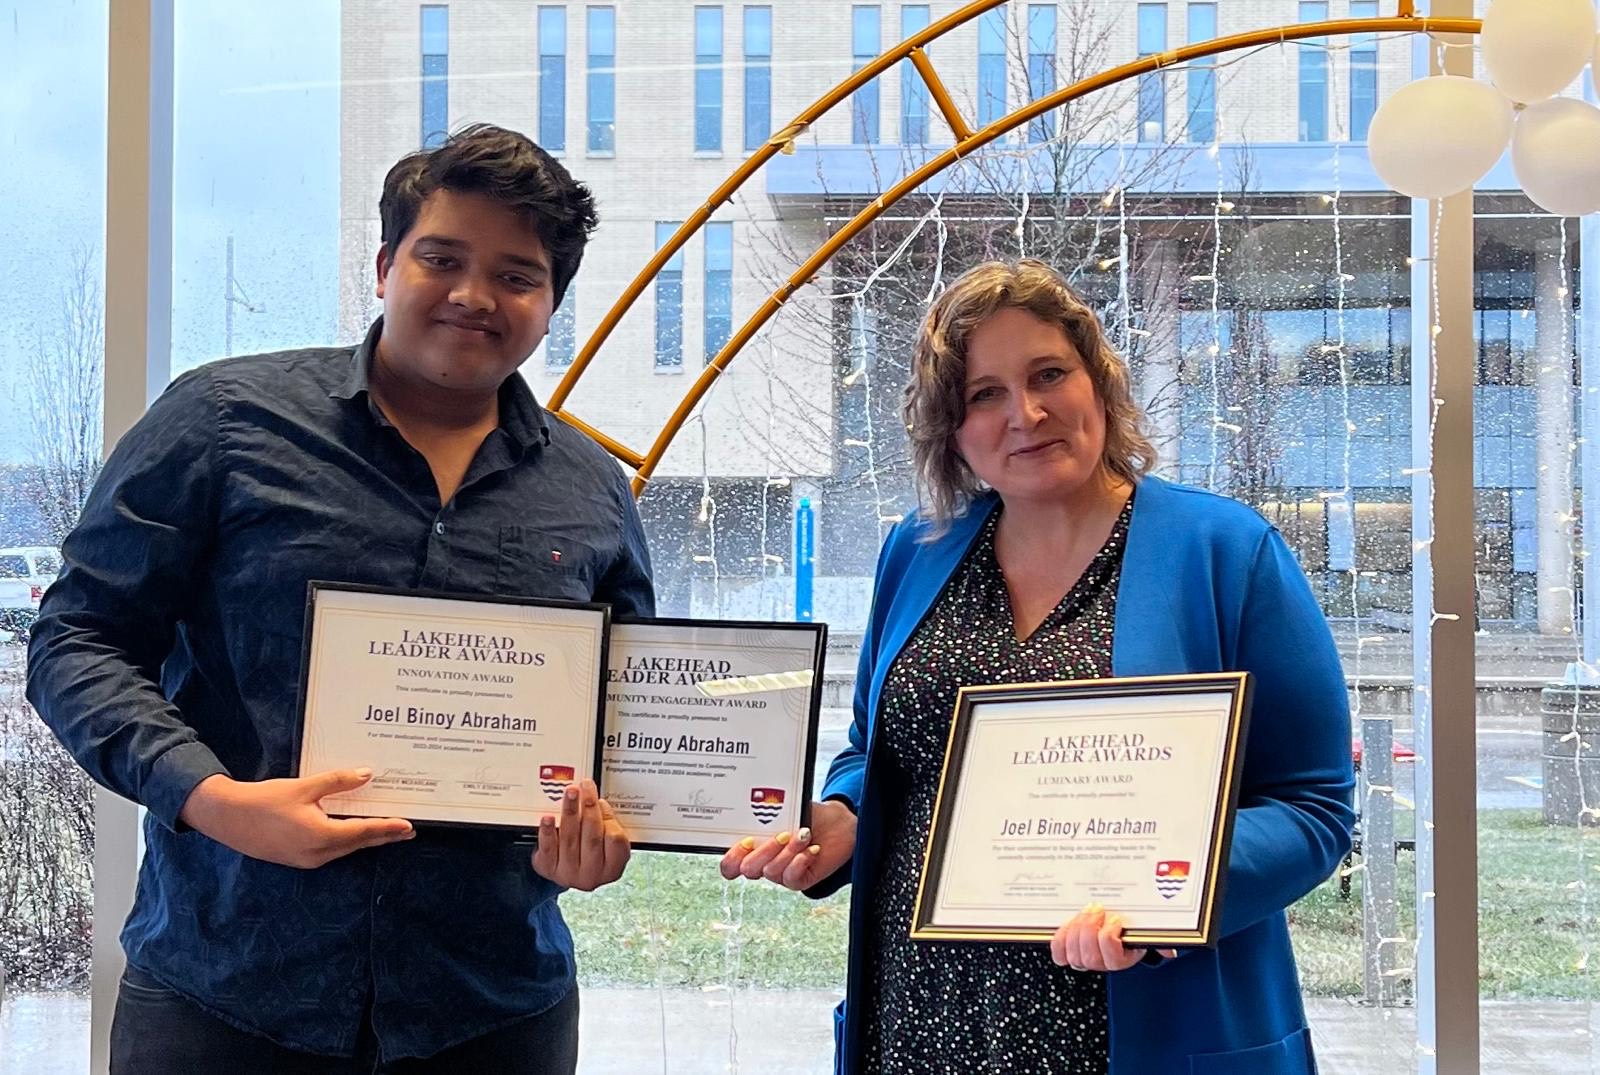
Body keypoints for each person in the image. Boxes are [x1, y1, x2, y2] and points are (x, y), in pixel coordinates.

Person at [28, 124, 652, 1074]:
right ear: (383, 263)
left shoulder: (591, 486)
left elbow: (623, 714)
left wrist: (605, 832)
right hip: (225, 991)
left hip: (491, 1008)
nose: (474, 295)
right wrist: (214, 799)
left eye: (517, 275)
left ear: (551, 301)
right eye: (441, 257)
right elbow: (77, 638)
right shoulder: (224, 420)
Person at [721, 258, 1354, 1074]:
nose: (1026, 412)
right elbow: (872, 751)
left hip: (1142, 1027)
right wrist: (844, 815)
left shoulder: (1227, 553)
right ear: (952, 428)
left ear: (1099, 381)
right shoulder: (916, 553)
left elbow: (1312, 804)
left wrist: (1164, 894)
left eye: (1049, 372)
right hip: (921, 1024)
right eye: (983, 394)